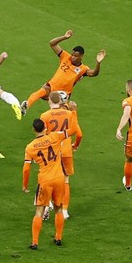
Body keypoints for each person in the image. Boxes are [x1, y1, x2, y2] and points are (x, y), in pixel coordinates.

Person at [21, 30, 105, 114]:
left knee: (61, 113)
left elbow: (94, 73)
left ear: (81, 56)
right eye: (72, 54)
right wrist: (64, 37)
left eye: (76, 56)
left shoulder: (83, 69)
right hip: (51, 86)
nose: (72, 57)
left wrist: (98, 63)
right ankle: (26, 106)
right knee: (39, 92)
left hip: (63, 95)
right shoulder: (65, 56)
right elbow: (52, 44)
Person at [23, 119, 72, 250]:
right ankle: (58, 238)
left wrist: (25, 185)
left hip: (45, 180)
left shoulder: (30, 147)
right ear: (45, 127)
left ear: (33, 130)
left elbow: (26, 169)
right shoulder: (55, 136)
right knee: (59, 208)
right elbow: (72, 130)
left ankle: (34, 242)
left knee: (39, 211)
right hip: (59, 178)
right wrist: (73, 112)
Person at [39, 91, 82, 219]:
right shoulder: (69, 114)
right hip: (67, 150)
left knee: (49, 178)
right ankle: (64, 211)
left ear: (50, 101)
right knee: (66, 181)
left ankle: (47, 206)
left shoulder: (45, 115)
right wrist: (75, 145)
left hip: (52, 151)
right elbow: (78, 133)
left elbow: (42, 135)